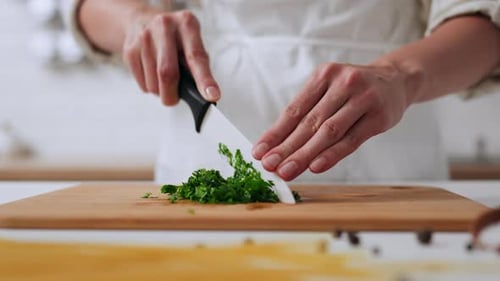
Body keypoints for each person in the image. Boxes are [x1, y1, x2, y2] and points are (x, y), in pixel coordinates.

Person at [69, 0, 500, 184]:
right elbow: (90, 7)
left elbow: (485, 23)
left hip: (388, 154)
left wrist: (400, 75)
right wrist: (136, 20)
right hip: (208, 133)